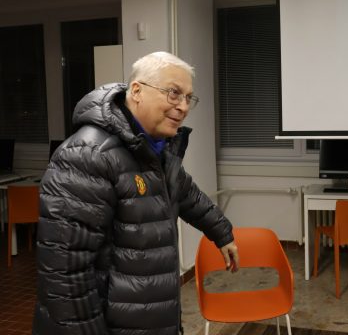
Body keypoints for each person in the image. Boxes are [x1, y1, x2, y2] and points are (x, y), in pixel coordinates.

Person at [33, 51, 240, 335]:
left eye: (188, 97)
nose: (183, 106)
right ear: (137, 91)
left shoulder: (154, 147)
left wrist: (222, 232)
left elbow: (187, 193)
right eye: (173, 93)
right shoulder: (87, 156)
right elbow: (64, 273)